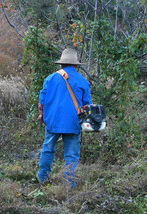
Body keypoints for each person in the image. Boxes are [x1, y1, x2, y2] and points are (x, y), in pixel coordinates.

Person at [37, 48, 92, 188]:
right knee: (71, 155)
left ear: (61, 64)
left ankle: (42, 179)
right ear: (76, 65)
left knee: (48, 149)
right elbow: (87, 105)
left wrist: (42, 115)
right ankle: (68, 185)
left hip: (53, 121)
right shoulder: (83, 81)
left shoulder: (50, 78)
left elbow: (41, 103)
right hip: (73, 122)